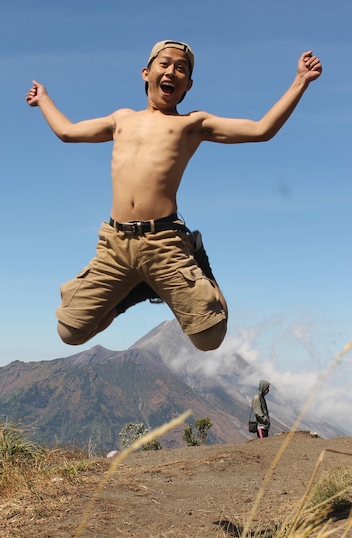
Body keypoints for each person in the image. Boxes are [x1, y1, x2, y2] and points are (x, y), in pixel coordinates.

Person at [26, 40, 322, 352]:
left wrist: (300, 81)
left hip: (164, 243)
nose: (172, 71)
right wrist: (44, 99)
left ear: (188, 85)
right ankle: (136, 289)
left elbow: (262, 129)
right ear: (146, 73)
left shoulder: (192, 124)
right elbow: (67, 132)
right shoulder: (121, 119)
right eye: (165, 64)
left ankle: (198, 260)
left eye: (181, 68)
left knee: (209, 339)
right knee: (70, 332)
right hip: (115, 243)